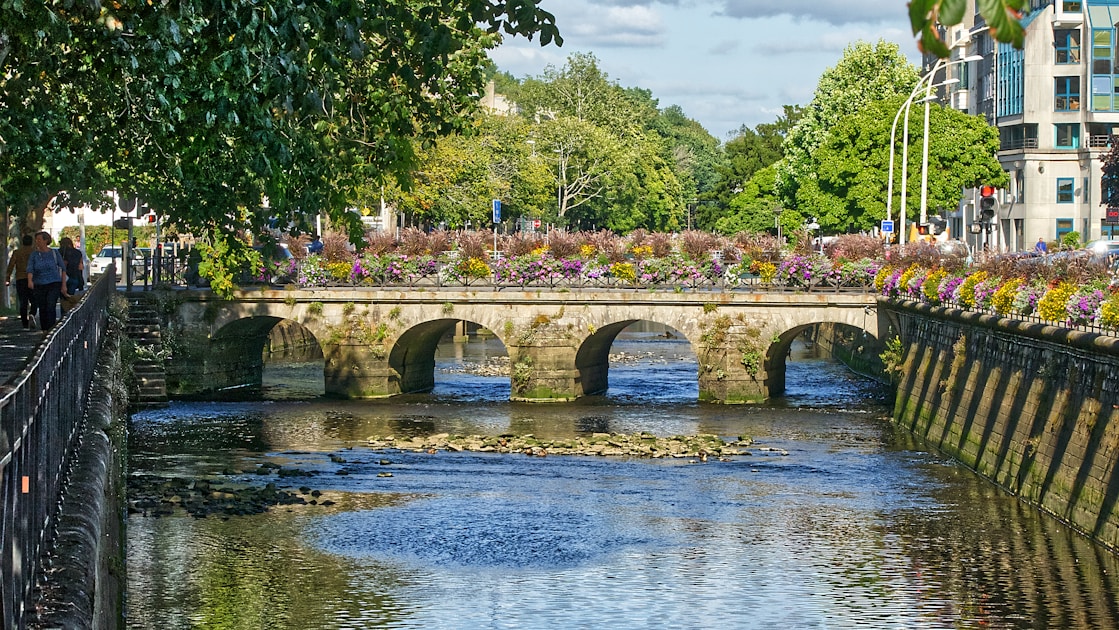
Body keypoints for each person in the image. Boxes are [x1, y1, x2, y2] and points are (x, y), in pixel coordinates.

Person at [26, 231, 68, 332]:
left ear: (46, 240)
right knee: (42, 306)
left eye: (39, 240)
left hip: (54, 283)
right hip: (39, 284)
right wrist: (30, 280)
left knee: (51, 304)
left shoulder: (54, 253)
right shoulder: (34, 255)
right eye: (36, 240)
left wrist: (63, 285)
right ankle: (44, 329)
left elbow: (63, 268)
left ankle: (51, 328)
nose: (37, 242)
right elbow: (30, 269)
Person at [6, 234, 36, 329]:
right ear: (32, 242)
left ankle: (24, 323)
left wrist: (7, 277)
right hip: (33, 279)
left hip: (21, 278)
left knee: (23, 301)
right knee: (34, 299)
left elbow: (11, 265)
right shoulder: (34, 252)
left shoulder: (17, 253)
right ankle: (32, 313)